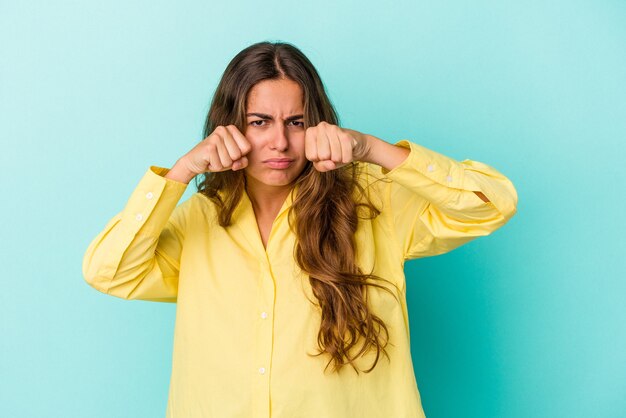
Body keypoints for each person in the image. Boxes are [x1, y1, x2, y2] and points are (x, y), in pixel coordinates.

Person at [82, 41, 518, 418]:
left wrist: (370, 148)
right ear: (229, 126)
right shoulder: (199, 218)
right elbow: (109, 271)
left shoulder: (373, 202)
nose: (279, 143)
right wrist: (179, 173)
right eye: (259, 122)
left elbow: (491, 204)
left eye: (296, 122)